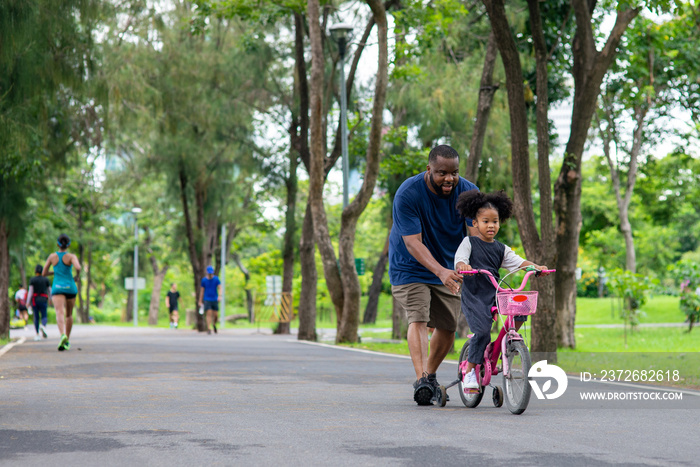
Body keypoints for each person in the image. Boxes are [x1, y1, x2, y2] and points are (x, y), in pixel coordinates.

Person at [389, 144, 479, 406]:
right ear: (428, 169)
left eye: (454, 173)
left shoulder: (469, 192)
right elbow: (413, 243)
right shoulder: (409, 193)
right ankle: (422, 380)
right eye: (441, 173)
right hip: (411, 265)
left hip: (448, 265)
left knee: (448, 325)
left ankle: (429, 376)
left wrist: (477, 268)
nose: (449, 179)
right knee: (419, 317)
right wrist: (439, 271)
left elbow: (476, 236)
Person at [453, 190, 549, 389]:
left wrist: (536, 267)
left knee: (521, 309)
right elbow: (461, 259)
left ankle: (505, 343)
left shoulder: (500, 248)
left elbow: (519, 262)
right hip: (475, 295)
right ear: (475, 223)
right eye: (485, 221)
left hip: (495, 293)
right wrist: (463, 266)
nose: (491, 225)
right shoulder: (469, 243)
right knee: (481, 332)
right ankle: (471, 372)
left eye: (495, 221)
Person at [43, 234, 81, 351]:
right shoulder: (71, 256)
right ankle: (67, 341)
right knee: (69, 314)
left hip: (58, 287)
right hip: (70, 287)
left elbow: (44, 273)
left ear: (57, 244)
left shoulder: (52, 257)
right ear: (68, 244)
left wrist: (55, 272)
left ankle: (62, 335)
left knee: (60, 312)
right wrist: (77, 276)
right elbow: (78, 267)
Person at [26, 265, 51, 341]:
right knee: (44, 315)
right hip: (43, 299)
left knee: (36, 317)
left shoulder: (32, 280)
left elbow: (30, 291)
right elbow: (50, 290)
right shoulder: (46, 279)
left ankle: (37, 334)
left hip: (35, 300)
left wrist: (27, 302)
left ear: (35, 271)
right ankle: (43, 326)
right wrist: (50, 299)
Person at [198, 266, 221, 335]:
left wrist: (220, 296)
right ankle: (208, 328)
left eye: (211, 273)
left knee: (216, 315)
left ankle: (214, 324)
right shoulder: (204, 280)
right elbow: (202, 291)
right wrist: (200, 300)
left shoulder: (216, 279)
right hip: (207, 299)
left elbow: (220, 288)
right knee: (208, 313)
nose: (210, 275)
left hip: (214, 299)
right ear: (207, 273)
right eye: (209, 273)